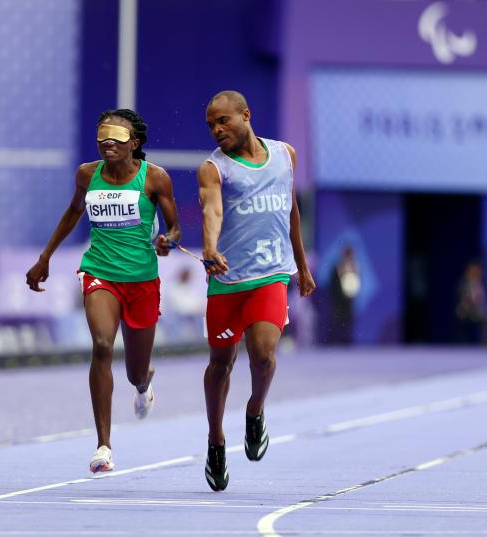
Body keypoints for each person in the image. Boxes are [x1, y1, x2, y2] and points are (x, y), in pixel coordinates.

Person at [26, 109, 181, 473]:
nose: (108, 141)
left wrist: (167, 242)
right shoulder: (86, 174)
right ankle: (104, 446)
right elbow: (72, 212)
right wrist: (45, 257)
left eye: (117, 136)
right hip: (100, 272)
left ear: (135, 144)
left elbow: (175, 229)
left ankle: (144, 384)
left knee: (135, 371)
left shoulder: (155, 178)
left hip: (142, 280)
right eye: (102, 136)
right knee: (101, 345)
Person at [198, 90, 316, 491]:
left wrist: (301, 266)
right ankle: (216, 439)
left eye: (223, 121)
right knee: (220, 366)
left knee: (264, 355)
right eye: (211, 124)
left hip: (271, 276)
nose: (217, 130)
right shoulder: (214, 169)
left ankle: (255, 411)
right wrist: (210, 247)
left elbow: (291, 208)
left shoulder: (286, 155)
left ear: (245, 115)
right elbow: (212, 209)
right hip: (228, 281)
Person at [328, 244, 360, 344]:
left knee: (348, 321)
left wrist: (351, 294)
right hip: (338, 300)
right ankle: (337, 341)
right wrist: (340, 295)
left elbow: (356, 283)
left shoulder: (355, 266)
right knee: (337, 321)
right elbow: (333, 284)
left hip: (349, 300)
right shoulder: (338, 266)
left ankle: (347, 341)